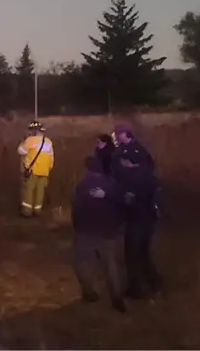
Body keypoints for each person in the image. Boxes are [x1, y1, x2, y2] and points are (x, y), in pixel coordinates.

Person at [111, 123, 163, 299]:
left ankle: (136, 290)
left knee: (132, 255)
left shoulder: (132, 180)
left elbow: (126, 199)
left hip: (136, 220)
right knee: (144, 253)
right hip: (149, 219)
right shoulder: (150, 177)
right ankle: (155, 284)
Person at [72, 156, 127, 312]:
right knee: (110, 265)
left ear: (88, 169)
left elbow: (77, 210)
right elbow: (121, 206)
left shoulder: (82, 186)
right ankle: (117, 299)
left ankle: (89, 292)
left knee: (80, 262)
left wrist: (77, 227)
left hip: (87, 231)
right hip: (108, 232)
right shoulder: (112, 184)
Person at [17, 120, 54, 217]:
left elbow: (20, 151)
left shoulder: (30, 140)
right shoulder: (48, 142)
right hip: (45, 171)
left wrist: (23, 141)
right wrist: (49, 169)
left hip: (32, 171)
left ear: (34, 131)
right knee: (40, 191)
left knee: (28, 190)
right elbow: (51, 158)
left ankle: (27, 211)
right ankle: (37, 210)